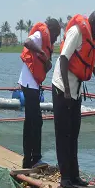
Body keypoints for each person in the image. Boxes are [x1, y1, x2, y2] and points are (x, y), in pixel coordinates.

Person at [52, 10, 95, 188]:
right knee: (63, 134)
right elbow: (64, 58)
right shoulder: (77, 32)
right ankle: (65, 178)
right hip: (62, 88)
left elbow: (94, 67)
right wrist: (65, 88)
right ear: (92, 23)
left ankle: (74, 175)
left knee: (73, 134)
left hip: (76, 91)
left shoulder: (92, 40)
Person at [18, 18, 62, 169]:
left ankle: (28, 160)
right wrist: (41, 51)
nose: (56, 38)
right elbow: (27, 42)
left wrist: (46, 63)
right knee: (36, 121)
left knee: (31, 121)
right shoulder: (40, 35)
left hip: (32, 83)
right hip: (28, 82)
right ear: (52, 30)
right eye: (56, 34)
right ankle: (34, 159)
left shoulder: (47, 42)